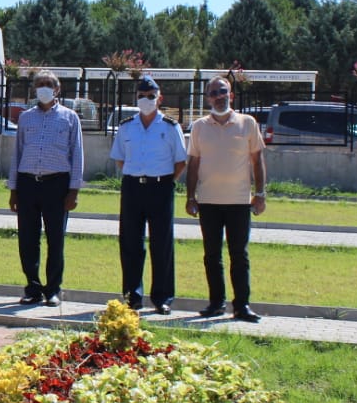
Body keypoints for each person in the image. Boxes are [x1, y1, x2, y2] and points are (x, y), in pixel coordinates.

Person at [184, 75, 268, 322]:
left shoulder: (247, 123)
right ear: (208, 98)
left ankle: (242, 305)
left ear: (230, 95)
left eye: (222, 92)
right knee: (211, 255)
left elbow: (257, 161)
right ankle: (216, 303)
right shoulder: (199, 127)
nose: (218, 97)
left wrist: (260, 194)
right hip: (208, 201)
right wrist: (190, 197)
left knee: (239, 255)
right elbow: (193, 164)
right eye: (213, 93)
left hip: (239, 201)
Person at [111, 75, 188, 314]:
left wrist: (165, 182)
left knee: (161, 244)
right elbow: (120, 159)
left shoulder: (170, 126)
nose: (146, 99)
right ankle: (132, 296)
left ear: (160, 98)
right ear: (136, 98)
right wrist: (138, 175)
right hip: (133, 187)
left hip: (160, 187)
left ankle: (162, 297)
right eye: (142, 96)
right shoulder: (126, 126)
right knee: (130, 242)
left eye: (151, 96)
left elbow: (180, 161)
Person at [7, 71, 82, 307]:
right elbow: (17, 153)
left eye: (48, 84)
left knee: (55, 240)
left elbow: (77, 155)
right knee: (28, 239)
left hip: (57, 185)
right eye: (39, 84)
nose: (44, 88)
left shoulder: (70, 117)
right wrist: (13, 189)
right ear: (34, 89)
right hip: (28, 183)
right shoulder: (26, 118)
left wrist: (74, 190)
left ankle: (53, 290)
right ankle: (33, 288)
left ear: (57, 89)